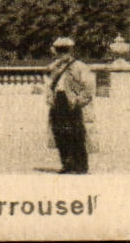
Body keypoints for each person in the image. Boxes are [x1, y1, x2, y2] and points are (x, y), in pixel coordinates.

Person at [46, 36, 92, 173]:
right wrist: (49, 98)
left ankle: (81, 165)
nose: (62, 54)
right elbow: (48, 85)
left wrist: (79, 101)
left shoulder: (80, 67)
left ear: (70, 51)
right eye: (60, 51)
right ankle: (67, 163)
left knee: (76, 133)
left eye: (65, 51)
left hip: (72, 103)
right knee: (60, 133)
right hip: (58, 102)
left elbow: (88, 86)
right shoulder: (55, 67)